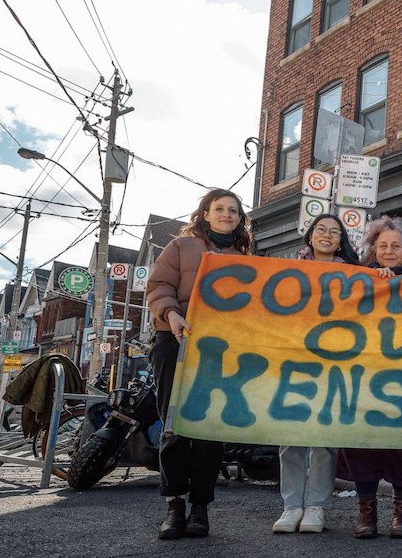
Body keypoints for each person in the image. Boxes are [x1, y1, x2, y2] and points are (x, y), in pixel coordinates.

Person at [146, 189, 252, 540]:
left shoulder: (245, 258)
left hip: (220, 348)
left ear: (239, 218)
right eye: (219, 208)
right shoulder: (180, 246)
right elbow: (158, 285)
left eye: (233, 210)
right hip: (173, 340)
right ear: (205, 213)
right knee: (174, 423)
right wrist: (172, 314)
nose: (226, 214)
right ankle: (174, 505)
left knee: (209, 428)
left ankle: (200, 508)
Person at [339, 216, 402, 539]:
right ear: (373, 250)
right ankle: (367, 512)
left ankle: (401, 512)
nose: (389, 251)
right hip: (364, 375)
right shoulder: (357, 280)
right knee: (362, 441)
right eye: (383, 246)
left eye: (396, 246)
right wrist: (373, 284)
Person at [273, 214, 360, 535]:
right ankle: (291, 505)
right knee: (289, 437)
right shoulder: (287, 270)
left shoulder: (353, 273)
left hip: (335, 361)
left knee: (325, 438)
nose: (327, 235)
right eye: (321, 230)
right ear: (310, 236)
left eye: (335, 232)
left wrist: (381, 275)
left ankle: (317, 507)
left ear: (341, 241)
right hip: (294, 360)